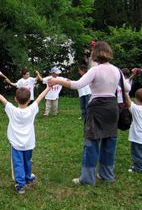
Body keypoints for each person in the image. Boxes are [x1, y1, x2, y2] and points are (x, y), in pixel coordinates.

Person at [48, 41, 130, 185]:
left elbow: (77, 85)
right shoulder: (117, 70)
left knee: (91, 142)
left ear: (95, 54)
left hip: (97, 108)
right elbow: (127, 88)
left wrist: (57, 81)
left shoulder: (95, 70)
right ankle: (107, 175)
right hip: (112, 107)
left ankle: (87, 178)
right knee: (109, 141)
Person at [0, 85, 50, 194]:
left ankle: (20, 184)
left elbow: (2, 99)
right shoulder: (32, 109)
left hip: (16, 144)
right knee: (27, 161)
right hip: (29, 143)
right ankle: (28, 177)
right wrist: (48, 87)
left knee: (18, 163)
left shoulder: (12, 110)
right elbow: (40, 97)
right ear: (29, 100)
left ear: (15, 99)